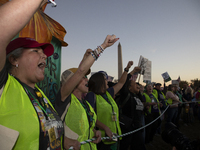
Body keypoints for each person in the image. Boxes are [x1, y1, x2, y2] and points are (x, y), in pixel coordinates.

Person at [0, 0, 65, 149]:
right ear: (14, 59)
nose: (44, 56)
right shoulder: (4, 85)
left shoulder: (40, 94)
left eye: (43, 53)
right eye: (35, 51)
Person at [55, 35, 119, 150]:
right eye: (83, 77)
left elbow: (86, 126)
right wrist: (103, 46)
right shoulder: (64, 98)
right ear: (71, 81)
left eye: (86, 77)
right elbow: (80, 70)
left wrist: (95, 132)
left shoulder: (85, 103)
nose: (87, 79)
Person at [85, 61, 134, 150]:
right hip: (101, 139)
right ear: (99, 82)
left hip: (114, 136)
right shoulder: (91, 95)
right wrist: (105, 127)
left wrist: (127, 69)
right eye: (105, 79)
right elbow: (89, 117)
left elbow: (121, 83)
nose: (108, 81)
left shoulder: (108, 93)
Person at [119, 77, 147, 150]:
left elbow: (142, 102)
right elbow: (123, 83)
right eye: (135, 84)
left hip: (138, 127)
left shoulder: (137, 96)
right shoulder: (126, 95)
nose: (138, 85)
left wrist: (138, 92)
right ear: (129, 87)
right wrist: (130, 71)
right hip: (128, 128)